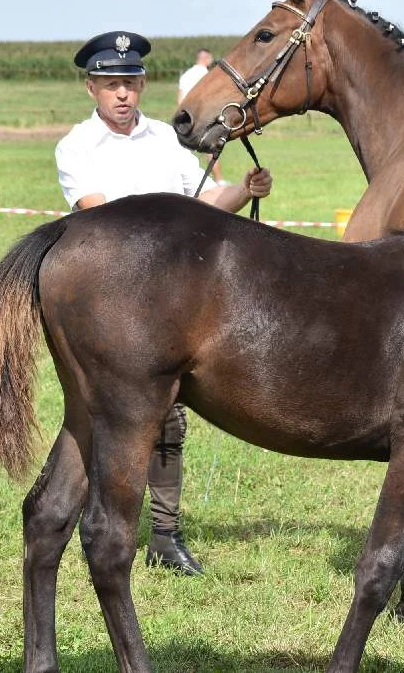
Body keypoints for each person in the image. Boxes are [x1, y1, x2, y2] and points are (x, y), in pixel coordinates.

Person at [56, 31, 273, 576]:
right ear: (92, 89)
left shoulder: (166, 141)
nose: (122, 94)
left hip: (172, 297)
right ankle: (104, 516)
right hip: (110, 298)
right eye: (111, 85)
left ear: (142, 84)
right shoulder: (75, 148)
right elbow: (97, 216)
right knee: (116, 417)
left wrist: (243, 191)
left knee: (171, 418)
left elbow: (204, 201)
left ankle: (166, 535)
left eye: (129, 83)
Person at [177, 48, 223, 183]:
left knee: (183, 153)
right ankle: (219, 180)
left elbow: (179, 99)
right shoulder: (207, 75)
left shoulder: (185, 75)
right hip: (202, 117)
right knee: (210, 150)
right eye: (210, 59)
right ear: (206, 59)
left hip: (184, 117)